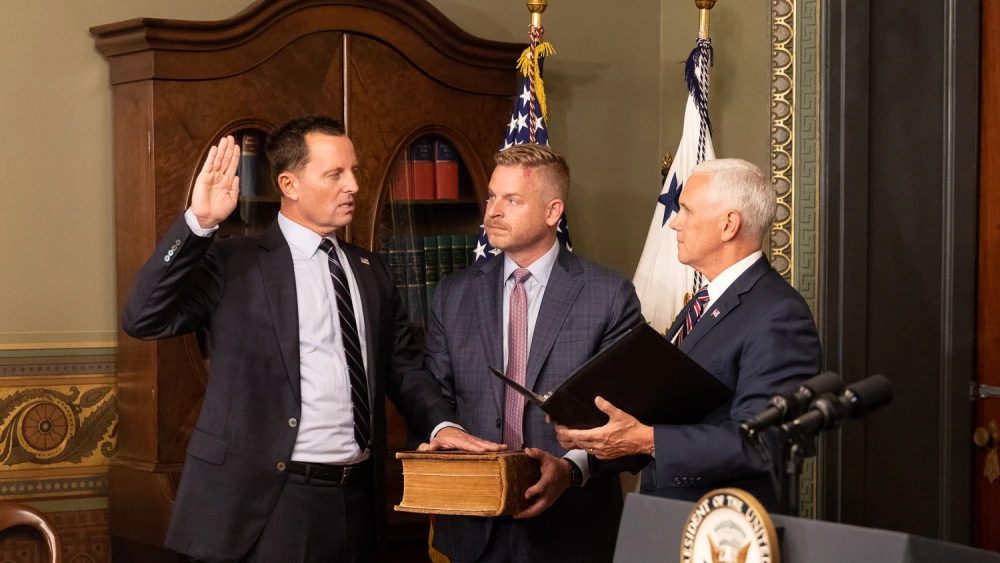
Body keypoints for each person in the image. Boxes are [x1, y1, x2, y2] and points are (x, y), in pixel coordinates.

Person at [121, 116, 500, 563]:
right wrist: (198, 223)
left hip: (360, 500)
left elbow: (402, 367)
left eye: (354, 170)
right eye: (335, 174)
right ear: (290, 184)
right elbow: (142, 317)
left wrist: (442, 424)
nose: (354, 185)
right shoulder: (234, 264)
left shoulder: (370, 270)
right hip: (270, 502)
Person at [554, 158, 821, 509]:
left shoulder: (780, 315)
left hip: (723, 532)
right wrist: (577, 462)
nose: (675, 222)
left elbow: (766, 443)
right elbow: (663, 413)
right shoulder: (703, 301)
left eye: (686, 210)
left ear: (729, 225)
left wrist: (647, 441)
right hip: (669, 521)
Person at [422, 143, 644, 562]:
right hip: (470, 529)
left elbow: (626, 419)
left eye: (512, 200)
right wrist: (441, 429)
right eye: (491, 196)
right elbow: (433, 391)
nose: (492, 211)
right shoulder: (454, 294)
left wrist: (571, 467)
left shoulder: (608, 296)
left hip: (570, 532)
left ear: (552, 212)